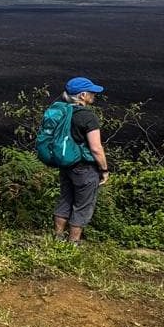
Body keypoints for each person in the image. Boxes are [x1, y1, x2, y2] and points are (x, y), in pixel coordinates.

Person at [53, 76, 109, 244]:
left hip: (65, 163)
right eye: (92, 93)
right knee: (83, 205)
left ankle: (57, 237)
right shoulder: (87, 117)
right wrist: (104, 170)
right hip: (84, 167)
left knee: (65, 199)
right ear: (83, 95)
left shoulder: (62, 112)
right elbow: (96, 148)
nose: (94, 95)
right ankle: (73, 243)